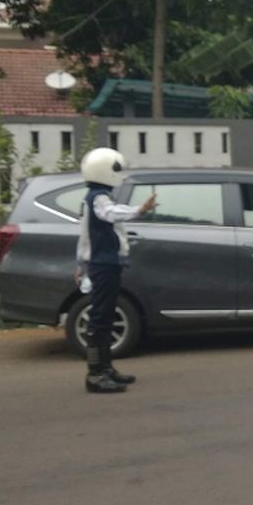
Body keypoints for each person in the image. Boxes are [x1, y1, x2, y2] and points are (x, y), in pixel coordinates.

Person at [75, 147, 157, 394]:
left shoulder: (96, 197)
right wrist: (139, 210)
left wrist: (79, 264)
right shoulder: (97, 198)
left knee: (107, 316)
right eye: (117, 169)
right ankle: (95, 374)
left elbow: (83, 236)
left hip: (106, 264)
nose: (120, 175)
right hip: (102, 266)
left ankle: (106, 368)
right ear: (104, 170)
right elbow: (110, 214)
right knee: (100, 319)